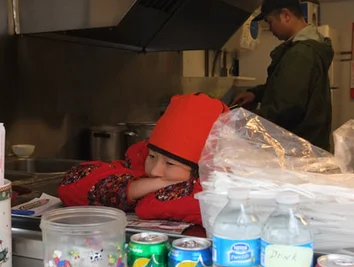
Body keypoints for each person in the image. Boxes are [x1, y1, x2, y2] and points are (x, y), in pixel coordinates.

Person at [57, 94, 228, 225]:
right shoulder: (139, 159)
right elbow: (71, 183)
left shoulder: (224, 183)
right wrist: (135, 187)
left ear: (202, 167)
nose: (154, 170)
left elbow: (152, 207)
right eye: (152, 156)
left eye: (170, 163)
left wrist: (148, 195)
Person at [233, 0, 334, 151]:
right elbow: (287, 87)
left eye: (270, 21)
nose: (271, 29)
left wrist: (243, 123)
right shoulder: (308, 46)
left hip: (298, 148)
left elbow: (287, 107)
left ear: (286, 15)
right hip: (308, 144)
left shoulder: (301, 53)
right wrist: (256, 93)